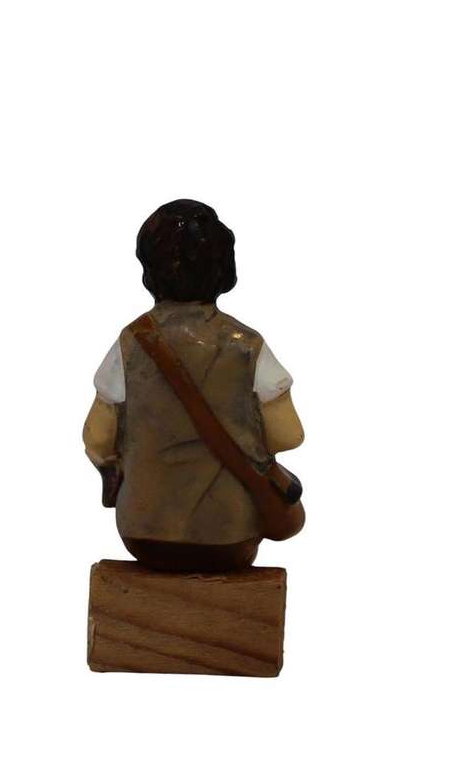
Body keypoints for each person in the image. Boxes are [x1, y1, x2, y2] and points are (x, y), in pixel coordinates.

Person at [82, 199, 304, 572]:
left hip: (144, 532)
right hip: (230, 535)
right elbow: (289, 435)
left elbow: (97, 437)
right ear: (224, 267)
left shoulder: (130, 343)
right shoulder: (248, 346)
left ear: (148, 268)